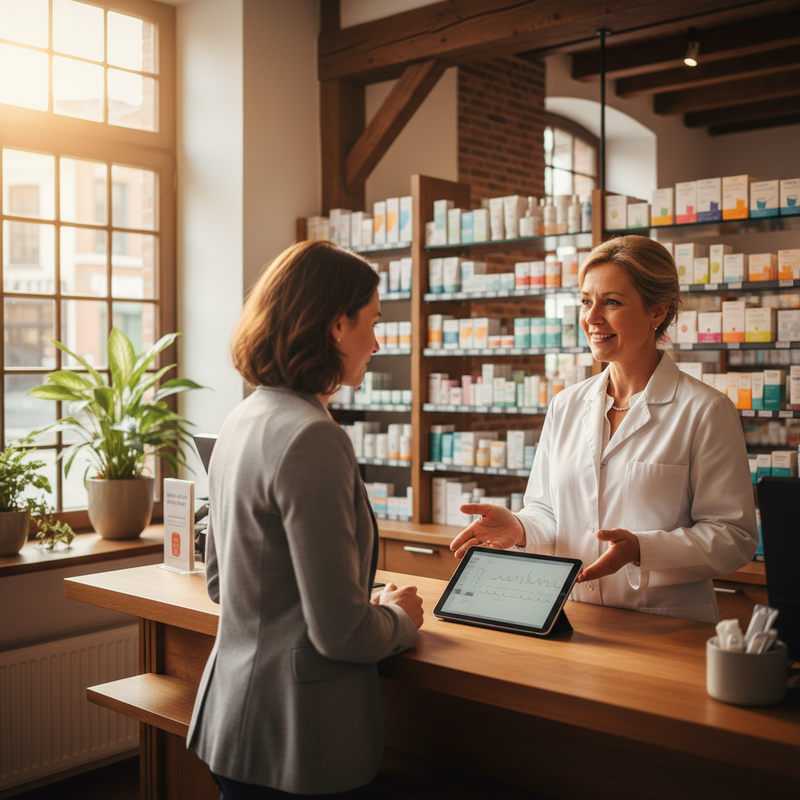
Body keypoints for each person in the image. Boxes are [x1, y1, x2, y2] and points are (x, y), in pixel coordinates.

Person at [187, 240, 424, 799]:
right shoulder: (313, 436)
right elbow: (339, 634)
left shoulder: (245, 416)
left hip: (234, 720)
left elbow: (224, 583)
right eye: (373, 321)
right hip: (297, 736)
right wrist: (398, 618)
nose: (377, 341)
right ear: (337, 326)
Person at [450, 235, 758, 623]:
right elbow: (547, 510)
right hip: (574, 615)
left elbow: (734, 537)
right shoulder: (567, 405)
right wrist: (520, 527)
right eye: (585, 301)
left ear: (657, 311)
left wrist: (643, 549)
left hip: (666, 627)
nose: (592, 317)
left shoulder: (706, 410)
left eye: (611, 302)